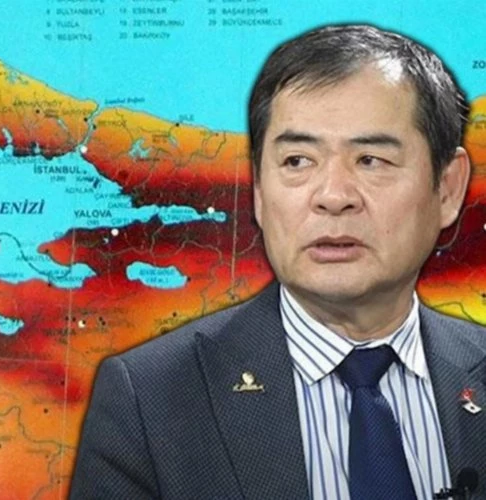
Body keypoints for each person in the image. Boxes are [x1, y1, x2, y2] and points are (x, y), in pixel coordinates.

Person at [71, 24, 486, 500]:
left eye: (371, 160)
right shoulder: (149, 402)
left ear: (447, 189)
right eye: (296, 161)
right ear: (259, 191)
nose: (333, 196)